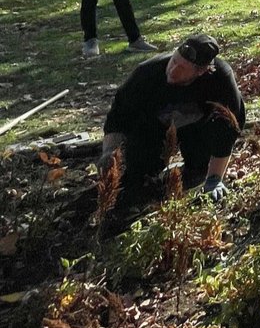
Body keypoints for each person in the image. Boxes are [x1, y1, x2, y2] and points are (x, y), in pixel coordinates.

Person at [98, 33, 245, 202]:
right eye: (174, 62)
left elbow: (228, 128)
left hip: (197, 130)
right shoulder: (146, 74)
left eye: (182, 69)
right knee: (136, 176)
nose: (173, 71)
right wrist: (109, 152)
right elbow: (118, 118)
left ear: (201, 71)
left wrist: (215, 178)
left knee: (198, 170)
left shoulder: (220, 79)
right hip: (153, 130)